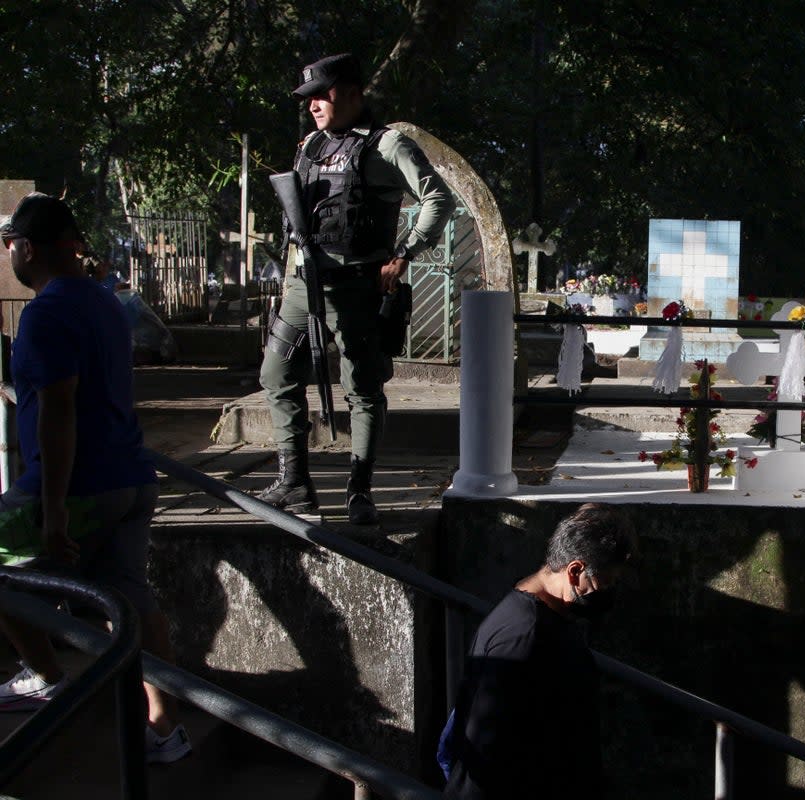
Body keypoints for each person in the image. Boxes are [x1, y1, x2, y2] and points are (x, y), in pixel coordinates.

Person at [0, 193, 190, 763]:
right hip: (130, 476)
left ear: (26, 249)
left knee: (7, 573)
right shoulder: (105, 301)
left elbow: (59, 409)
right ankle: (165, 729)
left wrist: (54, 506)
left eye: (10, 245)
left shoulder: (46, 312)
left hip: (77, 487)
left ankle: (46, 673)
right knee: (131, 597)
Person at [258, 52, 453, 524]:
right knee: (276, 376)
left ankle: (359, 490)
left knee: (363, 388)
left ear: (351, 92)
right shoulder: (309, 146)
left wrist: (403, 253)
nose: (312, 106)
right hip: (303, 284)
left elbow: (437, 197)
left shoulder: (387, 145)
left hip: (358, 285)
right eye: (306, 100)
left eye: (320, 96)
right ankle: (295, 482)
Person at [443, 503, 637, 799]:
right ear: (575, 571)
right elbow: (485, 749)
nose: (608, 591)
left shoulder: (539, 617)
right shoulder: (524, 638)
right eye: (605, 582)